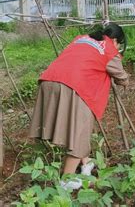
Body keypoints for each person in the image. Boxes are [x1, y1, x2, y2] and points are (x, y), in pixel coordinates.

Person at [29, 23, 129, 190]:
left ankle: (86, 165)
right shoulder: (110, 49)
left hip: (49, 81)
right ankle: (66, 181)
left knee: (77, 128)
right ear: (115, 40)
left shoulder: (82, 39)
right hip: (74, 86)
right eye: (120, 44)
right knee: (79, 133)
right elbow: (121, 76)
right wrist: (126, 79)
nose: (119, 48)